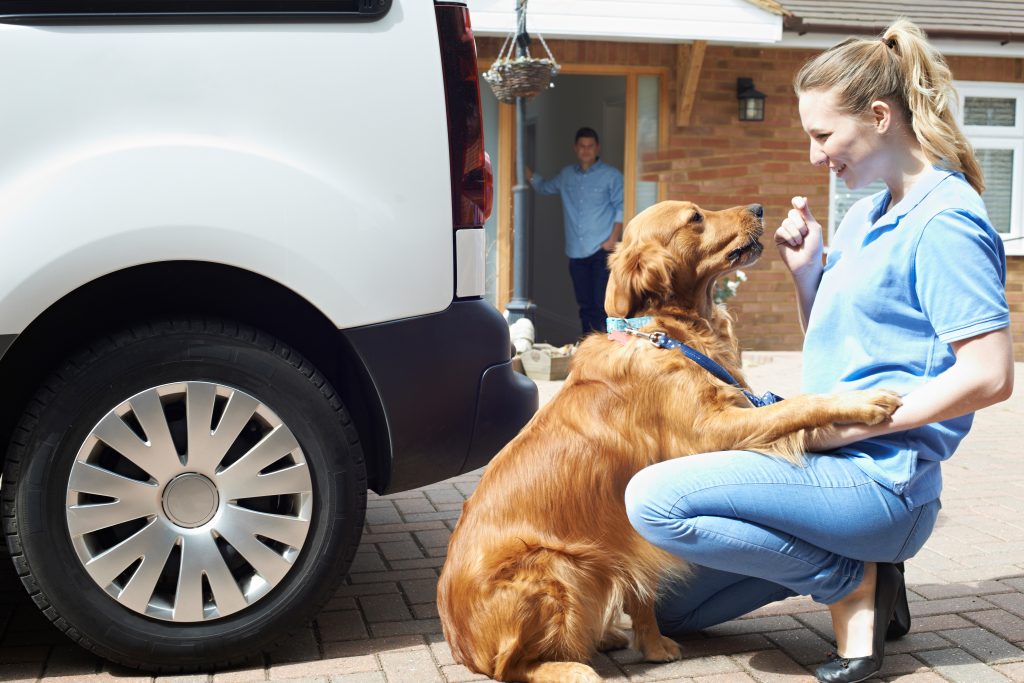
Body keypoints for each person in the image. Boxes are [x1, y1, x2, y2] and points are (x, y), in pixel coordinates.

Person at [623, 19, 1013, 683]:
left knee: (653, 500)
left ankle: (849, 577)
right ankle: (854, 566)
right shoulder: (866, 214)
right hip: (827, 454)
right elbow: (845, 351)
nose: (813, 155)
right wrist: (809, 277)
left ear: (881, 117)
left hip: (882, 478)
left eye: (823, 135)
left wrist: (860, 422)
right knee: (672, 605)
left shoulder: (947, 219)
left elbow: (991, 374)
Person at [528, 127, 624, 336]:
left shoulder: (611, 176)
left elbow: (621, 207)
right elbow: (544, 187)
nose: (586, 150)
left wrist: (613, 240)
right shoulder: (566, 175)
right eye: (582, 146)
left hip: (602, 251)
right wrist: (523, 171)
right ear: (576, 148)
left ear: (597, 148)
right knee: (585, 306)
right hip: (576, 252)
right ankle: (587, 347)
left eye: (590, 146)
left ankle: (602, 354)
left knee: (602, 306)